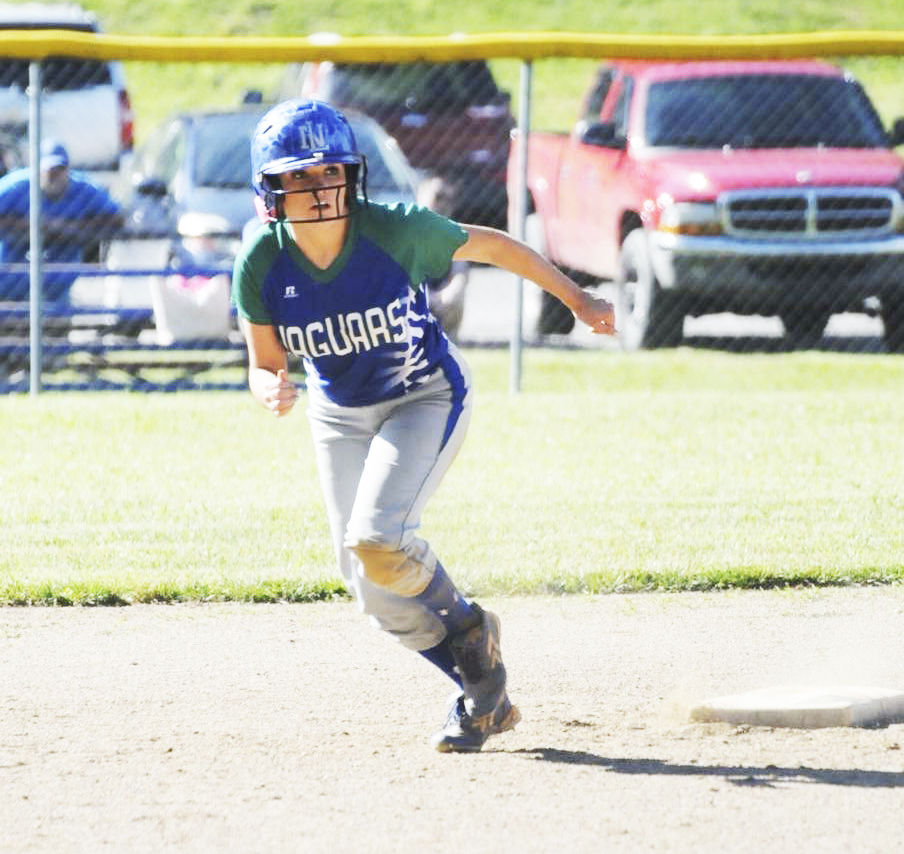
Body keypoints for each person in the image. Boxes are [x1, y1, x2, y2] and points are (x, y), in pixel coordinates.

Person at [232, 100, 616, 753]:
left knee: (379, 538)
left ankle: (467, 628)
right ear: (270, 190)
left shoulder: (393, 230)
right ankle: (481, 685)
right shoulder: (262, 262)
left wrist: (576, 298)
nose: (317, 189)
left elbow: (492, 245)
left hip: (424, 396)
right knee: (371, 590)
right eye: (298, 177)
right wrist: (269, 386)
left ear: (351, 176)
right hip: (338, 414)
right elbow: (262, 362)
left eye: (328, 172)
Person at [0, 139, 123, 302]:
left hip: (62, 253)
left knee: (58, 288)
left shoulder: (82, 188)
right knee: (11, 282)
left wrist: (68, 226)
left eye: (60, 169)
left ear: (68, 169)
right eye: (49, 170)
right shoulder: (17, 185)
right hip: (16, 252)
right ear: (38, 170)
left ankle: (56, 318)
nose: (55, 174)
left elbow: (117, 217)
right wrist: (29, 225)